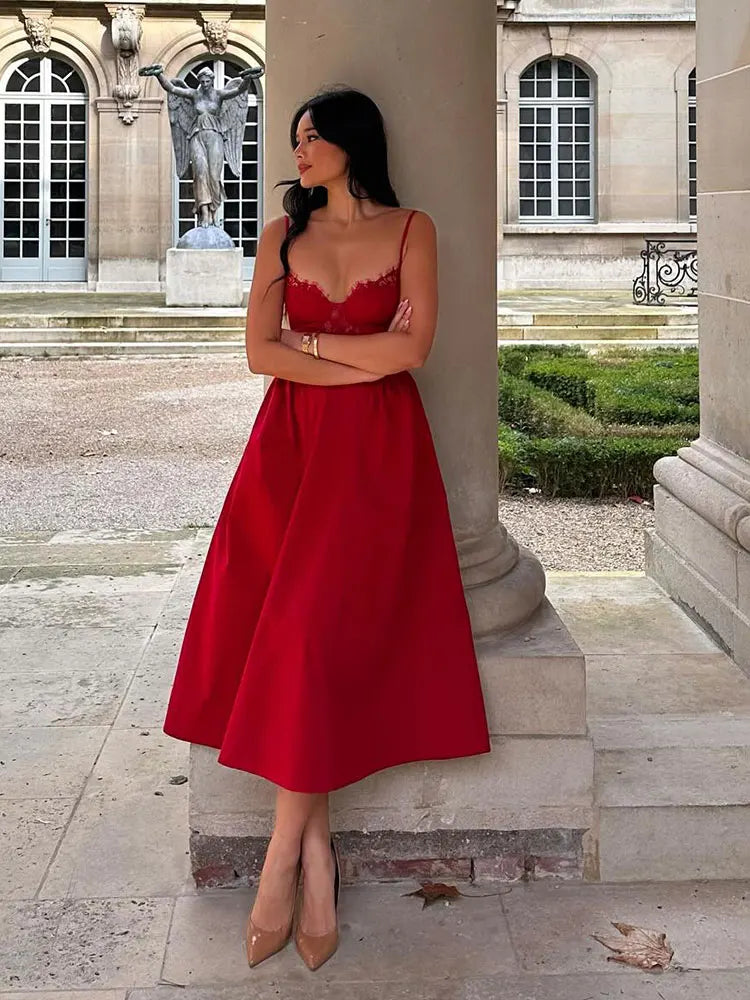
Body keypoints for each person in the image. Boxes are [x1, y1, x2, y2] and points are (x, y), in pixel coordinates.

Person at [162, 86, 492, 972]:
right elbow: (259, 353)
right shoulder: (281, 236)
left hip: (380, 463)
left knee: (314, 640)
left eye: (313, 137)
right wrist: (352, 358)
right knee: (292, 642)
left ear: (353, 143)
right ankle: (313, 860)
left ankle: (285, 861)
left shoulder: (413, 228)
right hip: (290, 454)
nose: (298, 150)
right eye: (295, 137)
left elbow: (414, 353)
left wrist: (314, 354)